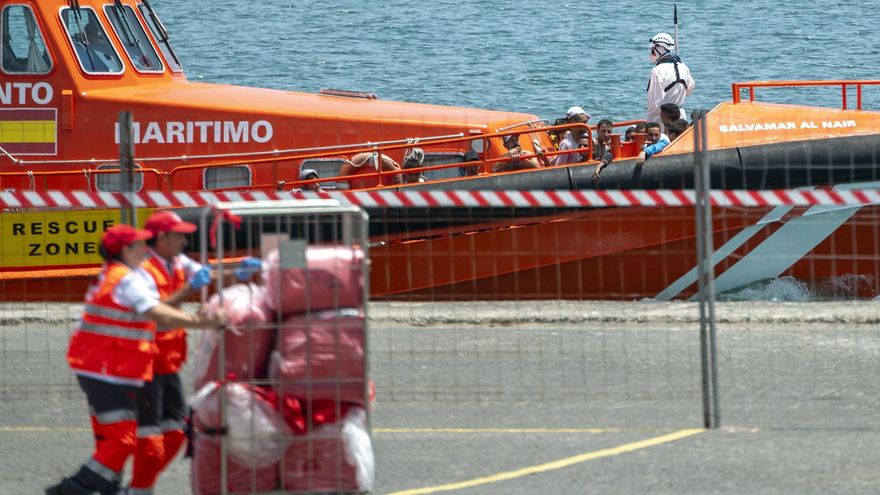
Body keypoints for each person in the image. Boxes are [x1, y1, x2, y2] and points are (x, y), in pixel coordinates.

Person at [46, 224, 225, 495]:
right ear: (126, 250)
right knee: (122, 441)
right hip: (107, 369)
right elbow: (158, 313)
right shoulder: (127, 280)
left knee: (122, 440)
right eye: (140, 244)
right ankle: (71, 490)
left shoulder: (122, 274)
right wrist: (202, 322)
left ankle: (100, 488)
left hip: (111, 368)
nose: (146, 248)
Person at [124, 212, 259, 494]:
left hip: (168, 361)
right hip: (144, 361)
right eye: (180, 235)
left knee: (176, 432)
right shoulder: (142, 270)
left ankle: (138, 486)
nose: (186, 241)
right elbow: (156, 312)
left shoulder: (175, 261)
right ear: (162, 238)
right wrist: (189, 289)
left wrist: (238, 272)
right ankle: (138, 489)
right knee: (149, 441)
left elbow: (205, 274)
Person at [646, 33, 695, 133]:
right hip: (681, 116)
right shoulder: (683, 66)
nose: (651, 53)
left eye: (652, 50)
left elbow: (655, 103)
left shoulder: (658, 71)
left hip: (663, 119)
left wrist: (650, 124)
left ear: (658, 48)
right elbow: (689, 90)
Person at [591, 119, 615, 185]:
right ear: (597, 131)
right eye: (603, 131)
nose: (606, 134)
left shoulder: (607, 146)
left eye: (609, 132)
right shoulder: (593, 143)